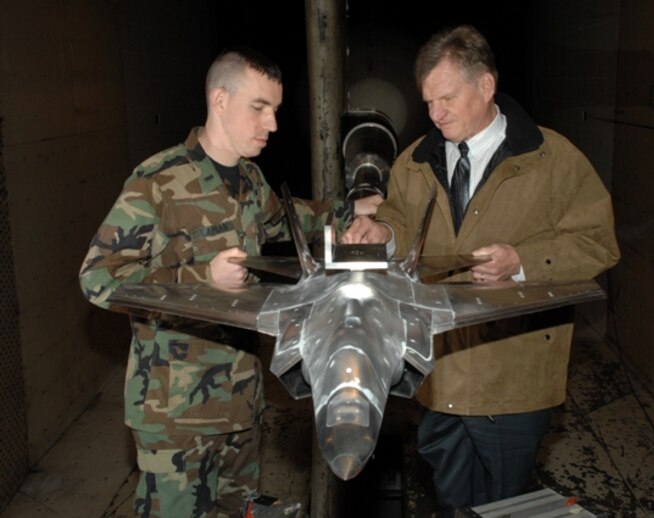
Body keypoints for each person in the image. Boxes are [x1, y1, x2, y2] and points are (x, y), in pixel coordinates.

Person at [79, 47, 379, 518]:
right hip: (176, 417)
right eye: (259, 108)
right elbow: (98, 278)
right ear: (220, 100)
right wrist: (203, 276)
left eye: (276, 110)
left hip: (240, 404)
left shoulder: (250, 182)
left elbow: (291, 219)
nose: (273, 124)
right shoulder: (156, 183)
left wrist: (352, 212)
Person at [342, 25, 620, 515]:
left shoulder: (551, 159)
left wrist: (523, 263)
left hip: (512, 377)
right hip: (440, 372)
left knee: (506, 504)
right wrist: (382, 233)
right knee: (450, 501)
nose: (435, 114)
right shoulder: (415, 161)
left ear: (486, 86)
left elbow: (598, 242)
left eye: (447, 98)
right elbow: (402, 219)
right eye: (428, 102)